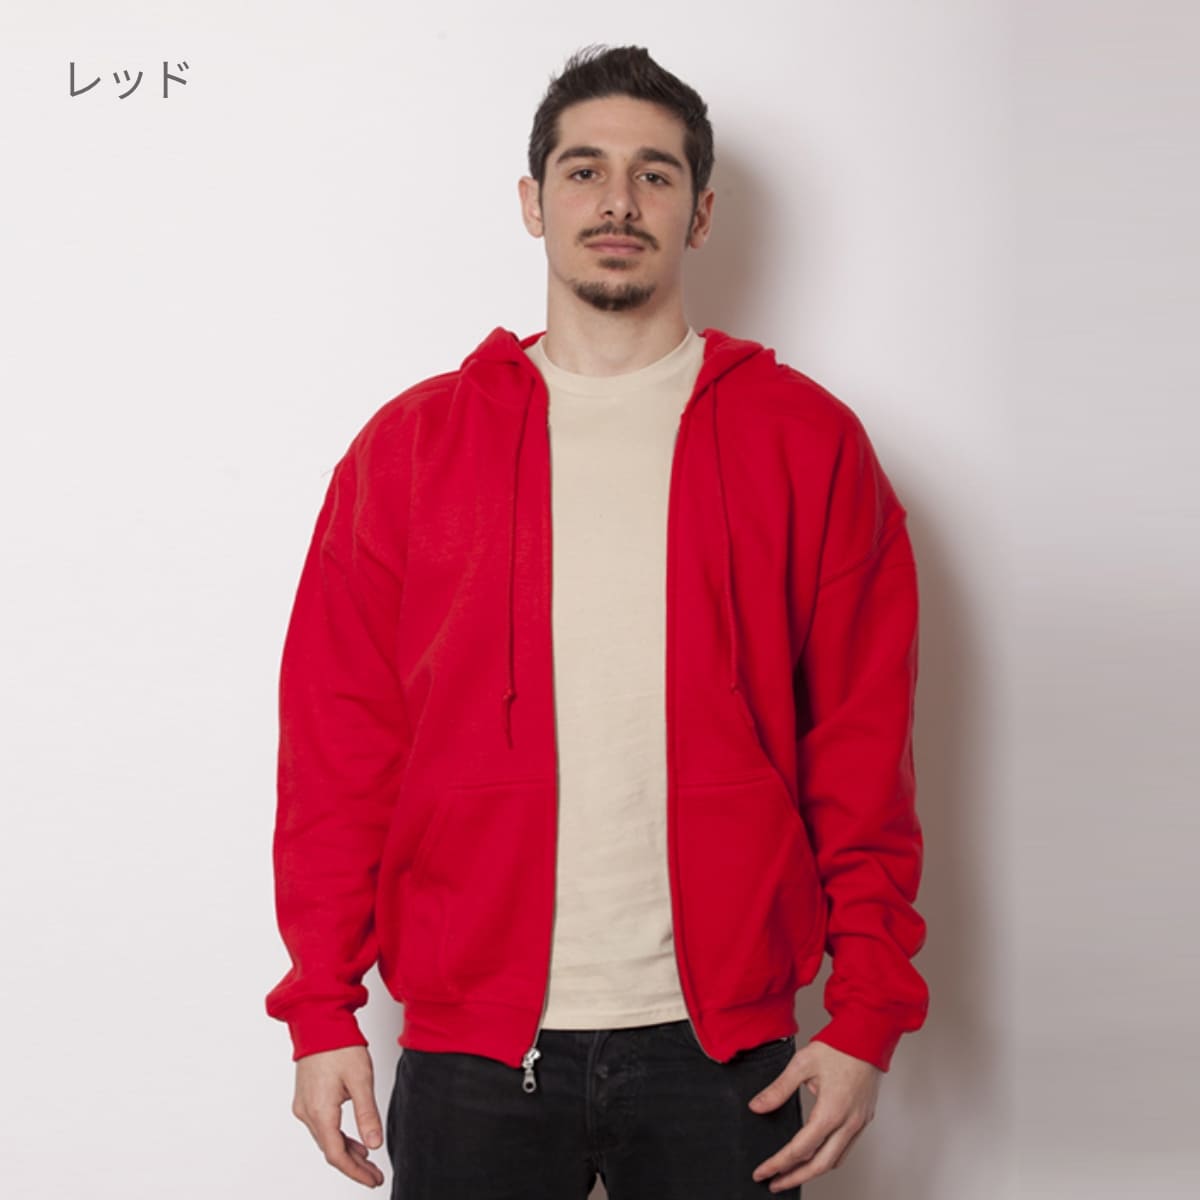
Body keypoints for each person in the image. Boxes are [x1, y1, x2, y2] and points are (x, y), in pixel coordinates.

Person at [265, 43, 929, 1199]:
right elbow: (340, 750)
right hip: (472, 1052)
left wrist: (867, 1013)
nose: (618, 201)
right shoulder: (412, 449)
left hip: (724, 1054)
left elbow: (862, 751)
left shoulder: (805, 442)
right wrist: (321, 1009)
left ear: (700, 212)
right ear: (534, 202)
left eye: (654, 174)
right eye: (584, 172)